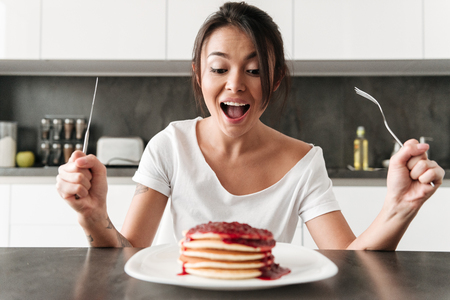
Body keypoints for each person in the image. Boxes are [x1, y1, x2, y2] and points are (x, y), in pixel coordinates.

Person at [56, 2, 445, 249]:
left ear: (274, 81)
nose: (236, 84)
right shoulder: (169, 146)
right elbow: (130, 256)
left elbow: (347, 263)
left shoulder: (304, 162)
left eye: (255, 70)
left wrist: (401, 206)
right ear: (199, 76)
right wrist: (92, 215)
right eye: (219, 68)